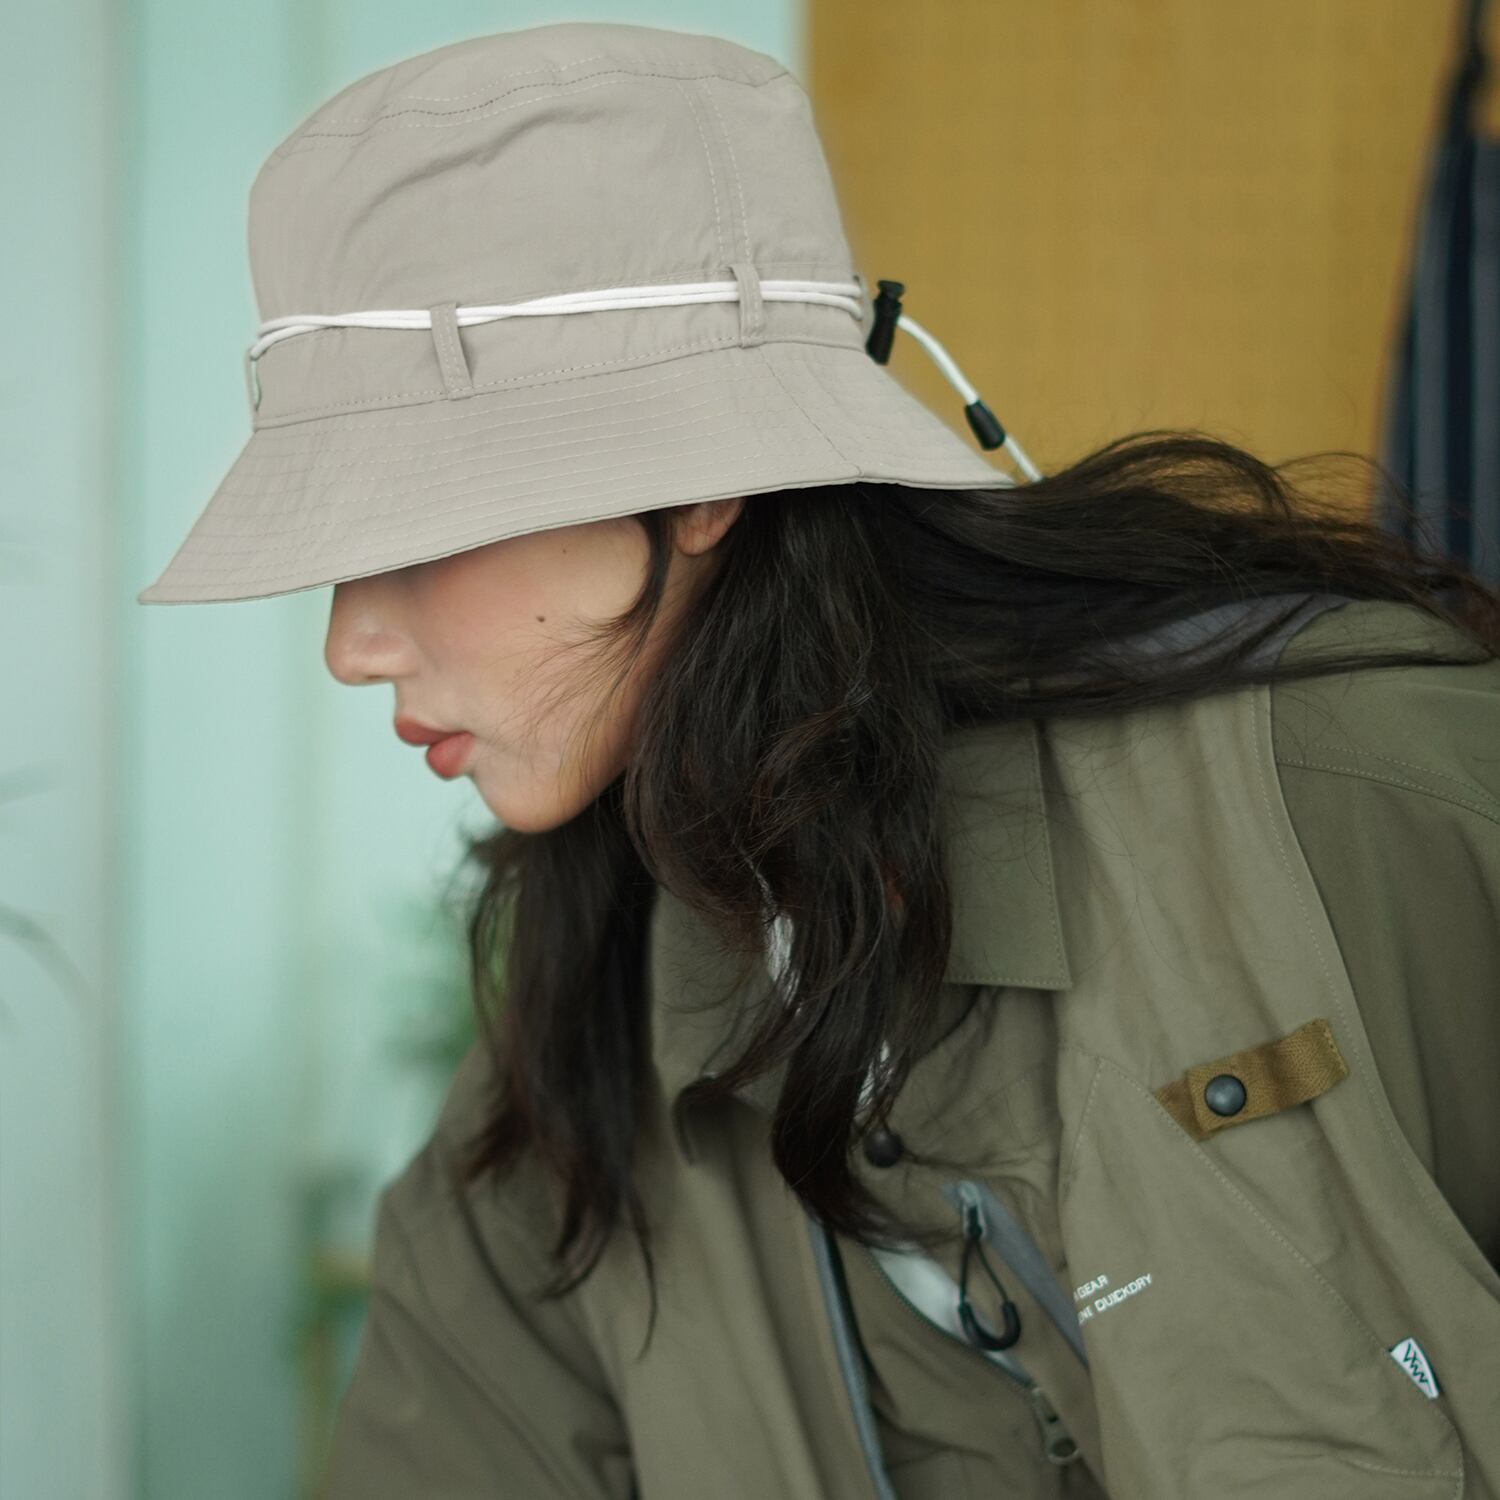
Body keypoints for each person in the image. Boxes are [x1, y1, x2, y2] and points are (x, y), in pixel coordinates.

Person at [137, 22, 1500, 1500]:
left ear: (700, 482)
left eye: (414, 523)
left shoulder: (1345, 794)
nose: (352, 643)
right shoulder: (570, 1071)